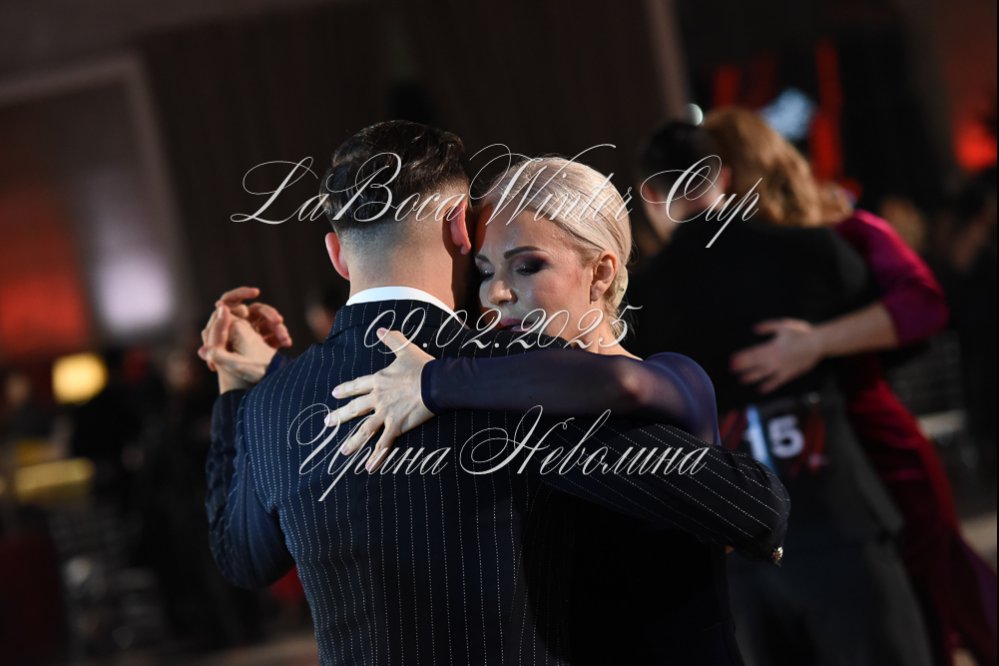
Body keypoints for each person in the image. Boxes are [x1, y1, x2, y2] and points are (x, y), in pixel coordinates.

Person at [198, 120, 790, 666]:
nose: (497, 293)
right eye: (487, 270)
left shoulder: (278, 402)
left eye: (526, 266)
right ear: (460, 227)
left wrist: (240, 387)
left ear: (336, 252)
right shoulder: (512, 378)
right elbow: (754, 509)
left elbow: (241, 557)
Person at [637, 116, 997, 666]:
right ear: (725, 175)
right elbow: (916, 322)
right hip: (838, 502)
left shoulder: (640, 298)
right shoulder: (818, 248)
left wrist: (819, 343)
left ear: (649, 194)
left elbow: (922, 306)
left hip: (745, 529)